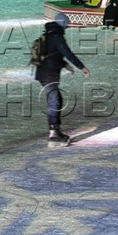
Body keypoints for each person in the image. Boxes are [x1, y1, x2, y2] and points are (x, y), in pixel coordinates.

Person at [34, 15, 89, 143]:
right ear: (63, 24)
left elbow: (53, 54)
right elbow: (67, 52)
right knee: (54, 101)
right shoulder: (56, 36)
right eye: (67, 25)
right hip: (49, 73)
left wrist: (66, 65)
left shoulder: (48, 34)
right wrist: (82, 67)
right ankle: (53, 134)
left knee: (57, 99)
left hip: (43, 72)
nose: (68, 27)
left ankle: (56, 130)